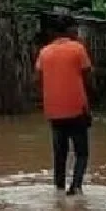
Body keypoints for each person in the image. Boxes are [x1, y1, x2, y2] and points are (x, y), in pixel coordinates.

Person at [35, 15, 93, 196]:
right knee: (81, 152)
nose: (76, 32)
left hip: (54, 110)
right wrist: (88, 104)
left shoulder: (44, 52)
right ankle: (76, 186)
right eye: (74, 28)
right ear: (68, 30)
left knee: (60, 153)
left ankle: (59, 188)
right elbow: (87, 77)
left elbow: (38, 78)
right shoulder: (78, 49)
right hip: (76, 108)